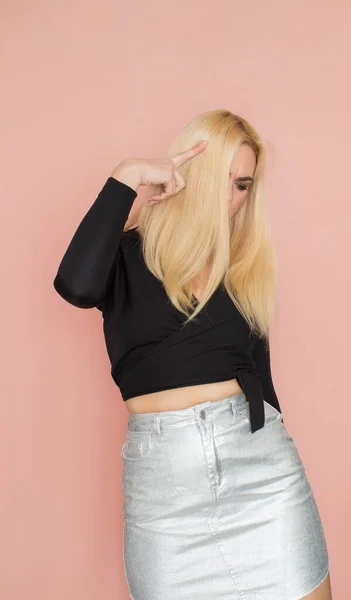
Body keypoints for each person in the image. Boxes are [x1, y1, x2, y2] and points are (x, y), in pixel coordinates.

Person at [53, 109, 332, 600]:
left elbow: (262, 382)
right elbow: (74, 286)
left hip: (264, 478)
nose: (231, 197)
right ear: (187, 175)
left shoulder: (242, 268)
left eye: (242, 184)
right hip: (164, 491)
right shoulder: (125, 253)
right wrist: (128, 176)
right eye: (220, 178)